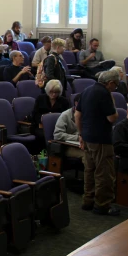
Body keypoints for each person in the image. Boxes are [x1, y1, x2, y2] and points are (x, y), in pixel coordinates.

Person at [75, 70, 120, 216]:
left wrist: (81, 134)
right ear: (110, 83)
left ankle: (88, 200)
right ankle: (102, 205)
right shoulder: (105, 93)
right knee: (104, 173)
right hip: (101, 139)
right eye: (116, 85)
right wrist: (113, 102)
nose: (115, 88)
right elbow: (112, 118)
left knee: (89, 170)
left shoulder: (87, 90)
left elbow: (77, 115)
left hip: (87, 137)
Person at [31, 80, 69, 147]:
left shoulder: (64, 101)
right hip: (41, 126)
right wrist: (43, 118)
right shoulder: (40, 99)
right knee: (42, 135)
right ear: (47, 90)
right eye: (51, 92)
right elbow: (35, 114)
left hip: (58, 127)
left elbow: (66, 116)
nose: (54, 94)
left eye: (56, 92)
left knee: (60, 136)